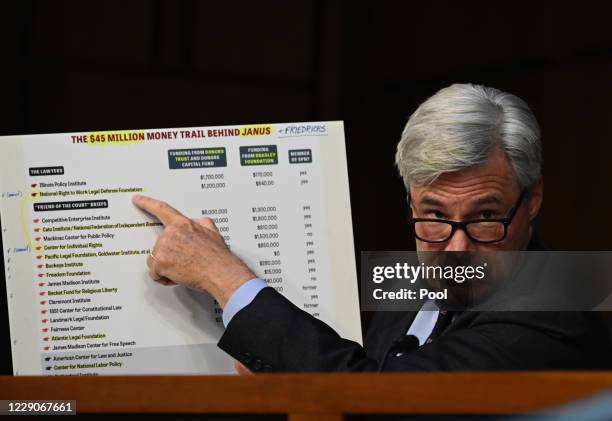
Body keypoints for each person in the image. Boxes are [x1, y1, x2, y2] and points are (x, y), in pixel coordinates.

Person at [132, 83, 610, 372]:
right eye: (435, 216)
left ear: (535, 200)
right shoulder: (398, 291)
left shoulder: (558, 314)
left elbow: (378, 403)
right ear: (409, 200)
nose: (457, 249)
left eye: (487, 217)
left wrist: (222, 276)